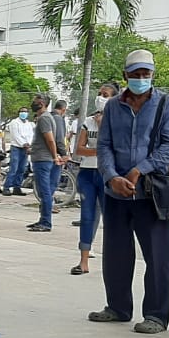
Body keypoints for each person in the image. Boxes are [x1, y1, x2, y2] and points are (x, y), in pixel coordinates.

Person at [87, 49, 169, 334]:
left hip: (151, 192)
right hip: (116, 192)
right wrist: (111, 176)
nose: (141, 79)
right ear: (125, 75)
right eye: (136, 74)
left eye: (146, 74)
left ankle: (155, 315)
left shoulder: (167, 104)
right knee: (116, 252)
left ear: (152, 74)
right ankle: (117, 306)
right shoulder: (113, 106)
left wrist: (140, 169)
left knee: (157, 256)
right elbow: (103, 145)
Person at [72, 87, 115, 275]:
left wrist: (104, 128)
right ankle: (83, 261)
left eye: (105, 95)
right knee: (87, 216)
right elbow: (79, 149)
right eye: (100, 94)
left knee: (111, 218)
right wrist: (100, 150)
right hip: (88, 172)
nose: (100, 98)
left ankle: (113, 262)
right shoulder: (88, 121)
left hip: (107, 174)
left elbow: (118, 147)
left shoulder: (117, 121)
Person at [26, 96, 66, 232]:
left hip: (43, 160)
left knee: (45, 191)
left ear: (42, 104)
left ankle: (46, 222)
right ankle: (43, 219)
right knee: (45, 191)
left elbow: (50, 140)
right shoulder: (46, 118)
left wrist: (55, 156)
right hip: (42, 158)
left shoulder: (44, 118)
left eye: (36, 101)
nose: (34, 104)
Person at [4, 105, 34, 195]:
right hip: (16, 147)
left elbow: (31, 135)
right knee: (14, 168)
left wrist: (28, 144)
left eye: (25, 112)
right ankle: (7, 187)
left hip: (25, 148)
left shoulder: (28, 124)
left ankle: (17, 187)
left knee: (22, 168)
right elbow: (15, 135)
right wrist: (23, 143)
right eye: (22, 112)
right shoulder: (14, 122)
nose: (23, 113)